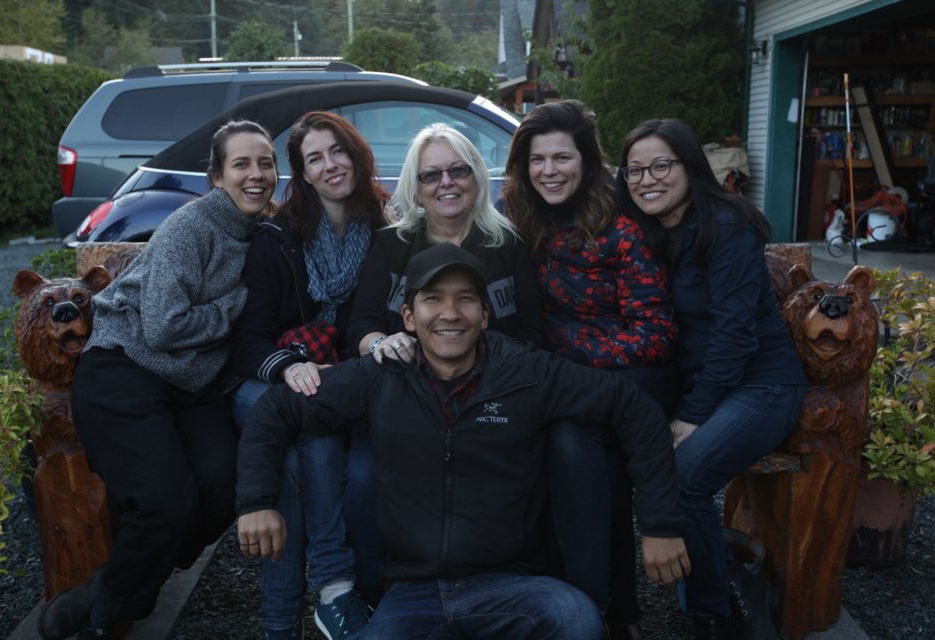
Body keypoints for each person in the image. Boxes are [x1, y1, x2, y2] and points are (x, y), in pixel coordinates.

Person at [236, 242, 691, 640]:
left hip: (512, 587)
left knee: (578, 620)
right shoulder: (380, 376)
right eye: (433, 299)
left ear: (485, 313)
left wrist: (660, 524)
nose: (450, 313)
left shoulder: (526, 371)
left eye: (466, 300)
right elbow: (277, 410)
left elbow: (634, 408)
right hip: (412, 592)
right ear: (410, 317)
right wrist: (256, 502)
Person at [38, 120, 278, 640]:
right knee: (165, 504)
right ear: (216, 177)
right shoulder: (191, 226)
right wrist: (237, 303)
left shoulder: (262, 232)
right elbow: (164, 327)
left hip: (191, 387)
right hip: (126, 369)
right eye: (242, 164)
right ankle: (103, 618)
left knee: (224, 486)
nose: (256, 174)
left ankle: (107, 587)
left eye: (266, 163)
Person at [614, 118, 807, 640]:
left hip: (763, 384)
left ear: (689, 166)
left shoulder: (727, 226)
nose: (647, 179)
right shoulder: (644, 232)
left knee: (682, 477)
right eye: (634, 170)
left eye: (660, 165)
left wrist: (693, 414)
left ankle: (714, 613)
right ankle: (732, 575)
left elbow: (735, 334)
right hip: (703, 385)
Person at [344, 122, 544, 600]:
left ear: (476, 177)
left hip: (488, 401)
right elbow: (360, 325)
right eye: (431, 175)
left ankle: (511, 587)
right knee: (361, 476)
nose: (446, 183)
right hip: (404, 401)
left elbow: (536, 334)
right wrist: (380, 345)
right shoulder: (392, 243)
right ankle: (376, 596)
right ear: (415, 186)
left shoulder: (505, 244)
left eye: (458, 171)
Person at [502, 99, 677, 638]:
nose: (549, 171)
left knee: (572, 437)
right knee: (591, 461)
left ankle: (591, 611)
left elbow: (655, 333)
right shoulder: (521, 217)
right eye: (537, 160)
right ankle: (610, 614)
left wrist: (576, 355)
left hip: (634, 371)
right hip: (564, 376)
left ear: (588, 161)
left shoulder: (621, 227)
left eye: (562, 158)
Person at [229, 112, 391, 640]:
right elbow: (247, 341)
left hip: (334, 384)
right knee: (312, 425)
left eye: (336, 151)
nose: (329, 165)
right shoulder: (277, 238)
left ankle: (280, 622)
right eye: (314, 159)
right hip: (263, 385)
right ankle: (334, 588)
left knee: (304, 448)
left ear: (356, 153)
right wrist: (290, 366)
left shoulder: (384, 230)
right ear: (302, 174)